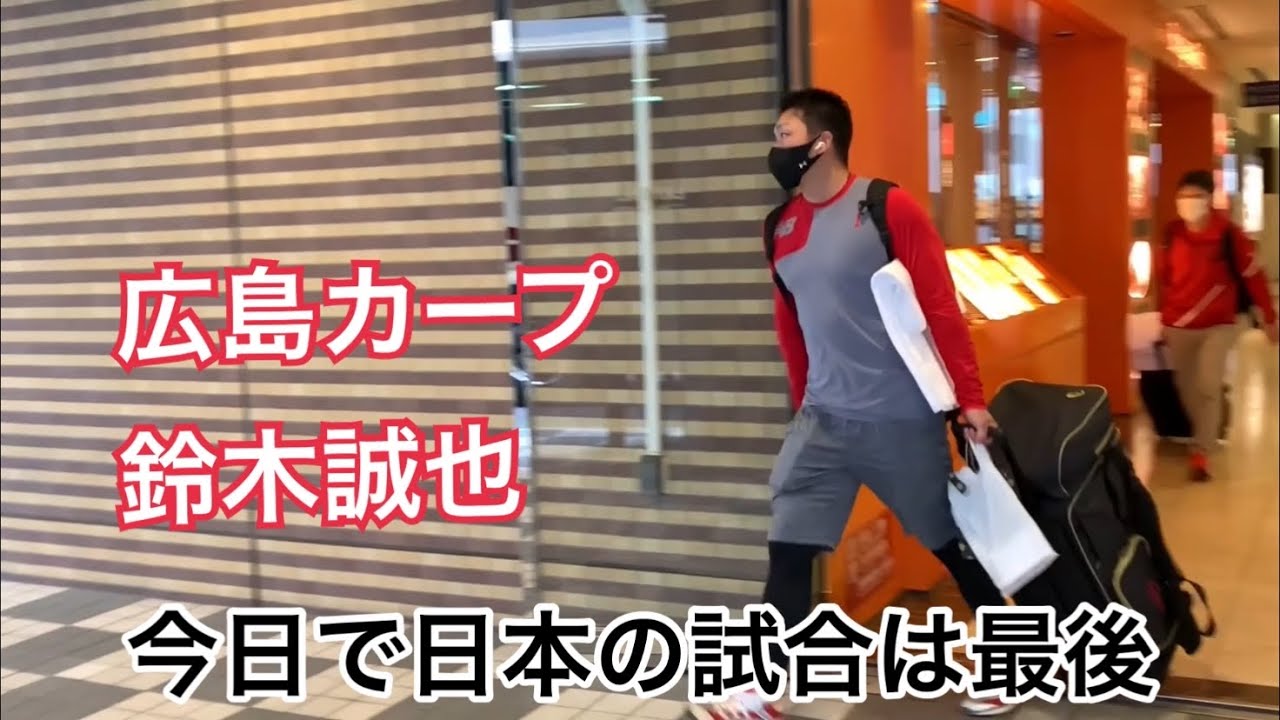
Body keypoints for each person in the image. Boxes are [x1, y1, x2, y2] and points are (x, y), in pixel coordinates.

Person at [691, 89, 1012, 720]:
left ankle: (1007, 658)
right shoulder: (780, 226)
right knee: (788, 544)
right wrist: (801, 402)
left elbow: (941, 308)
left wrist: (970, 400)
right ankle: (762, 689)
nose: (775, 148)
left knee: (946, 539)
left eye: (784, 135)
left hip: (898, 418)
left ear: (823, 142)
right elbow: (791, 324)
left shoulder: (886, 207)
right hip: (822, 420)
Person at [1157, 169, 1278, 482]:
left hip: (1218, 325)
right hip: (1178, 324)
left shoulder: (1228, 235)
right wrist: (1163, 316)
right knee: (1187, 387)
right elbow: (1164, 278)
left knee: (1208, 384)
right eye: (1183, 195)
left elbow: (1254, 276)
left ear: (1209, 199)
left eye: (1195, 196)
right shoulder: (1172, 233)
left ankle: (1202, 451)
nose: (1188, 202)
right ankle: (1208, 427)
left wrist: (1269, 317)